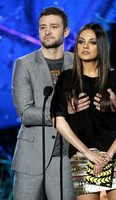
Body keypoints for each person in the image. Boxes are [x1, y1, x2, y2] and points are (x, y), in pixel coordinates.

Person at [11, 7, 91, 200]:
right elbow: (26, 113)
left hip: (68, 157)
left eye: (53, 27)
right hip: (31, 157)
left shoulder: (79, 63)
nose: (47, 32)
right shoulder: (24, 64)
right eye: (42, 27)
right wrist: (62, 111)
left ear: (65, 31)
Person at [50, 23, 116, 200]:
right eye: (81, 41)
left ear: (101, 46)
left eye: (92, 42)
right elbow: (57, 119)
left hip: (114, 153)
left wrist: (109, 155)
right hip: (83, 155)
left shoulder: (114, 78)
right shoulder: (67, 78)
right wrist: (87, 153)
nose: (85, 46)